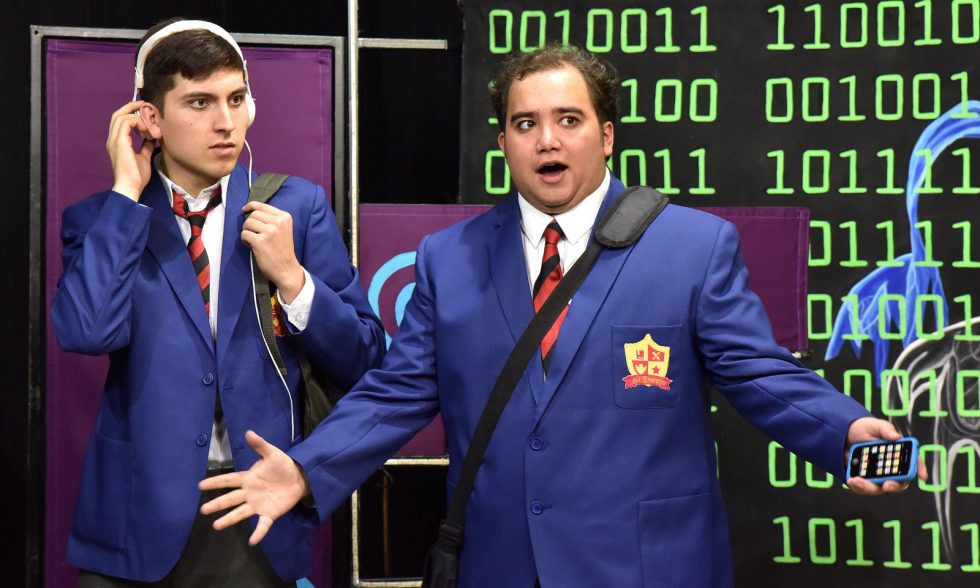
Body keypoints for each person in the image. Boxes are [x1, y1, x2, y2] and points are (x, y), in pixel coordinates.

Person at [199, 45, 925, 586]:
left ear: (606, 135)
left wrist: (843, 432)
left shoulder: (694, 247)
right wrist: (305, 469)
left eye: (568, 120)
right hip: (501, 566)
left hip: (646, 568)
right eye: (526, 123)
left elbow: (761, 375)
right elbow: (395, 394)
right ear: (504, 142)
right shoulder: (449, 258)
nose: (547, 139)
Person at [50, 18, 386, 586]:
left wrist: (294, 280)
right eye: (200, 102)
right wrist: (127, 193)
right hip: (135, 516)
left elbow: (366, 355)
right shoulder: (103, 219)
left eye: (236, 99)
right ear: (150, 118)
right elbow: (86, 331)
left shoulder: (295, 207)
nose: (226, 122)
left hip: (256, 507)